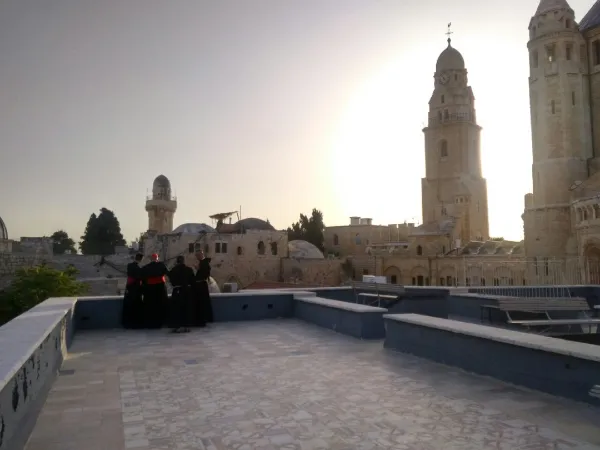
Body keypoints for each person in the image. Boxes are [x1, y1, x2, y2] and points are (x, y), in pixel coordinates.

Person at [168, 255, 195, 333]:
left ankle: (176, 326)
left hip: (177, 291)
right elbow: (192, 281)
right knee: (186, 308)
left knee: (176, 309)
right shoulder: (189, 270)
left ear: (177, 261)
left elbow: (171, 281)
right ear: (183, 261)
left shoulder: (173, 270)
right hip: (186, 291)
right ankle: (187, 326)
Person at [141, 253, 169, 328]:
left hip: (150, 288)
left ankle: (151, 323)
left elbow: (143, 278)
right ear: (157, 258)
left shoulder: (146, 267)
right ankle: (161, 322)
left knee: (151, 306)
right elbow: (168, 273)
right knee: (160, 305)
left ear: (151, 259)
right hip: (160, 288)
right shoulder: (161, 265)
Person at [122, 253, 144, 329]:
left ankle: (128, 324)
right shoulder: (139, 269)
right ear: (141, 259)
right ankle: (136, 323)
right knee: (136, 306)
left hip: (129, 289)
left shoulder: (129, 266)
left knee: (129, 306)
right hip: (136, 289)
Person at [193, 250, 214, 326]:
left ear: (201, 255)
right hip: (200, 285)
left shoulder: (204, 263)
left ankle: (203, 319)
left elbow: (205, 272)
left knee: (202, 302)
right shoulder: (203, 263)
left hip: (202, 286)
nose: (197, 257)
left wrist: (199, 268)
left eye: (197, 255)